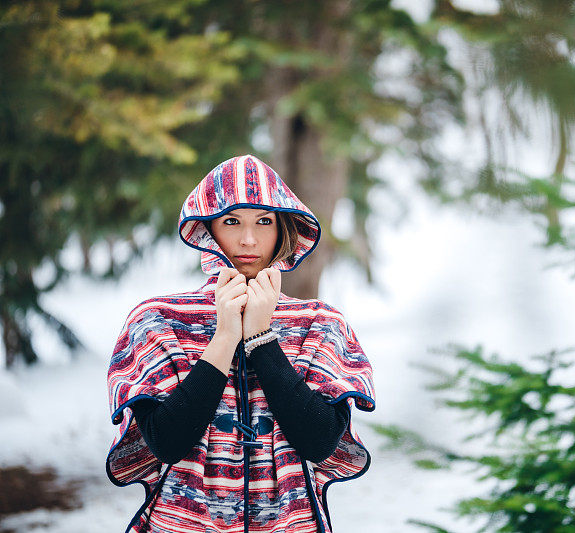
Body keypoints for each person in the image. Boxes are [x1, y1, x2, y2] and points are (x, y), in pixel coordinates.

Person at [105, 154, 376, 533]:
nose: (249, 240)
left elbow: (320, 442)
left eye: (264, 222)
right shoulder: (157, 321)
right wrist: (225, 336)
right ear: (207, 229)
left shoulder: (321, 324)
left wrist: (261, 338)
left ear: (284, 230)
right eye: (232, 221)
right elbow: (166, 442)